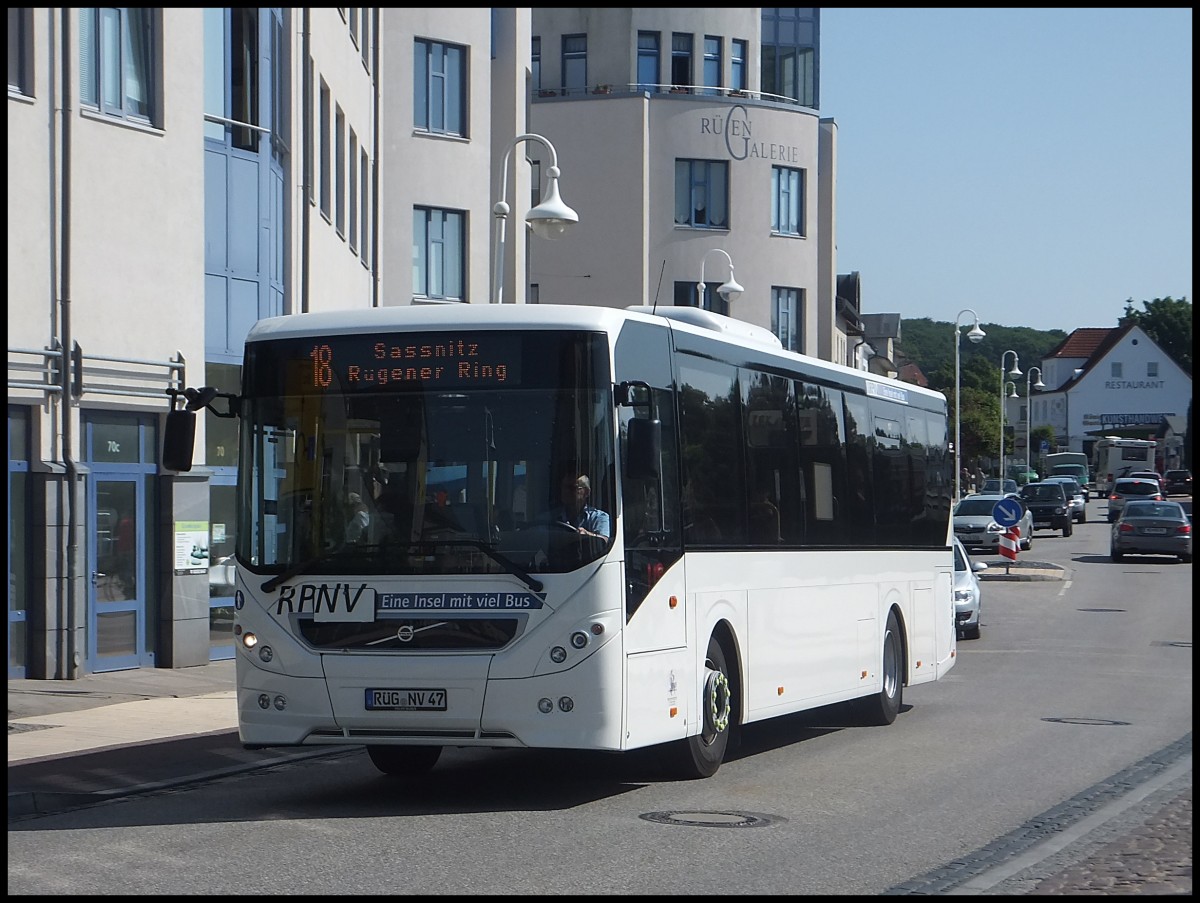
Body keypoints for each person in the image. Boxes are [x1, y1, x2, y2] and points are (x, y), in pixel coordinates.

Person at [550, 473, 610, 538]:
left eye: (572, 488)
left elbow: (604, 540)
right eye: (563, 487)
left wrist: (587, 534)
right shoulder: (552, 516)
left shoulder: (598, 517)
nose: (566, 491)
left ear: (586, 492)